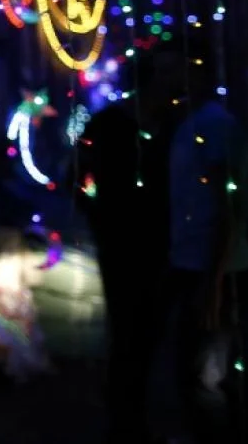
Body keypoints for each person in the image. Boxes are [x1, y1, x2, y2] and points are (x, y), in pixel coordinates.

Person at [75, 44, 183, 444]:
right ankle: (124, 423)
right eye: (168, 74)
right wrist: (102, 222)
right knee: (128, 333)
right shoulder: (109, 126)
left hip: (161, 245)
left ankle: (131, 416)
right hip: (123, 246)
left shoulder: (172, 125)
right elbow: (79, 178)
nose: (176, 82)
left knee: (148, 332)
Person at [160, 42, 248, 444]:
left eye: (172, 70)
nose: (166, 79)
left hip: (216, 267)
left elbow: (227, 204)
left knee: (207, 374)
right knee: (197, 368)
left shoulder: (213, 126)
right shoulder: (192, 121)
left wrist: (214, 282)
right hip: (197, 263)